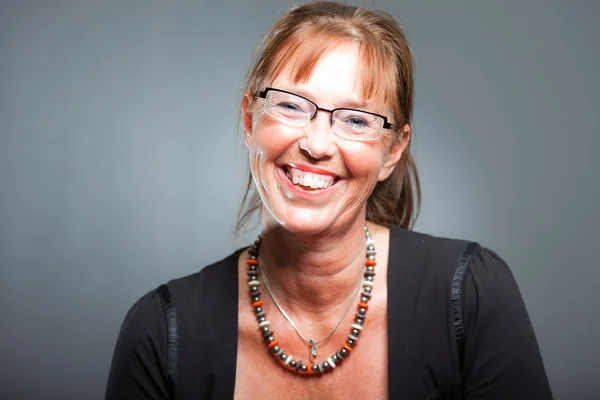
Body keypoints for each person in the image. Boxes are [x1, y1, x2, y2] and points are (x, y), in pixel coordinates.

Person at [105, 2, 554, 399]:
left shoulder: (471, 294)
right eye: (291, 105)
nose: (316, 144)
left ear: (392, 151)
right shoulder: (161, 332)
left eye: (356, 120)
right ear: (248, 119)